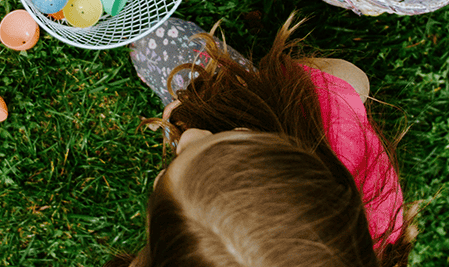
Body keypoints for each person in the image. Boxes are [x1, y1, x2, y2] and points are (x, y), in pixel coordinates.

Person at [118, 16, 415, 267]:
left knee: (150, 44)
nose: (191, 136)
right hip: (282, 109)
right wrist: (281, 87)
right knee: (156, 44)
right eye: (234, 136)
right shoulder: (328, 122)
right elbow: (354, 79)